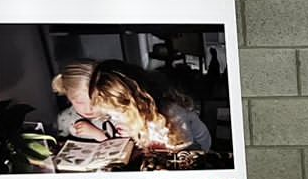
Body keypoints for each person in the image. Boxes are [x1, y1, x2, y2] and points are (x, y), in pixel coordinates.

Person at [56, 59, 212, 154]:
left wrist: (139, 135)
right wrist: (134, 133)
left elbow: (186, 151)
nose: (116, 119)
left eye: (117, 114)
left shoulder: (170, 115)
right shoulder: (130, 114)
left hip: (194, 151)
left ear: (131, 103)